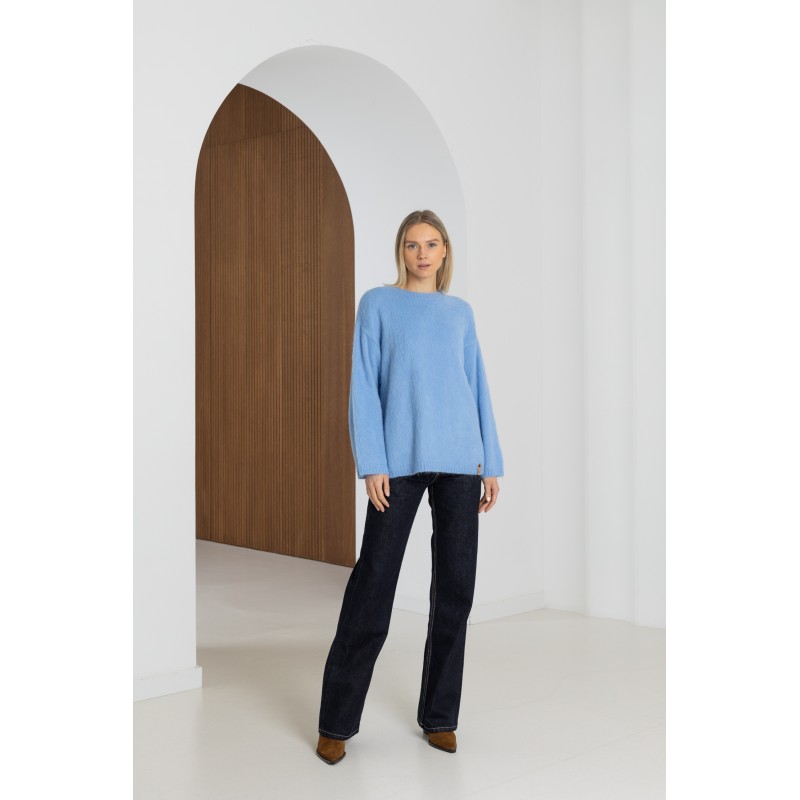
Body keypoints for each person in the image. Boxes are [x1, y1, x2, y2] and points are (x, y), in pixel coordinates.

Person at [315, 209, 504, 765]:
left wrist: (490, 463)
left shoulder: (459, 313)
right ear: (401, 250)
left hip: (461, 463)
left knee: (455, 590)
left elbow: (477, 387)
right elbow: (363, 386)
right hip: (397, 464)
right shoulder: (378, 303)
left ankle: (441, 716)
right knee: (373, 585)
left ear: (445, 252)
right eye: (412, 244)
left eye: (432, 244)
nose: (422, 254)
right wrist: (372, 462)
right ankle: (335, 722)